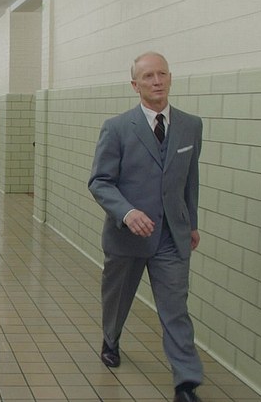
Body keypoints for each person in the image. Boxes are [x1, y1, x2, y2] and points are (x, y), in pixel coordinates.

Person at [88, 52, 204, 402]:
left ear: (170, 78)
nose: (157, 81)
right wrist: (127, 213)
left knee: (175, 309)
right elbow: (100, 181)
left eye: (162, 74)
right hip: (127, 236)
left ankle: (186, 382)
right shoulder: (117, 128)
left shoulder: (190, 125)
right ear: (134, 85)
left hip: (171, 236)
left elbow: (190, 179)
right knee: (117, 298)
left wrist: (191, 223)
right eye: (148, 76)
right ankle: (111, 338)